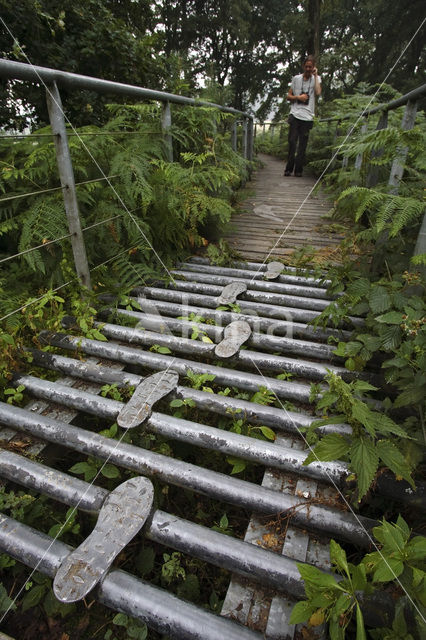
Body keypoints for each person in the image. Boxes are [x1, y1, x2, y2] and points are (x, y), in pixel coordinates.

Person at [284, 56, 321, 177]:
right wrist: (298, 98)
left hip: (308, 116)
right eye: (307, 66)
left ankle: (298, 170)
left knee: (302, 145)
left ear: (313, 67)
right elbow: (288, 96)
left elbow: (318, 92)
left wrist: (315, 76)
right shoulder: (296, 79)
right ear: (303, 66)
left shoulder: (316, 79)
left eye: (311, 67)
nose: (308, 68)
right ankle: (288, 168)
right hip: (295, 114)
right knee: (292, 142)